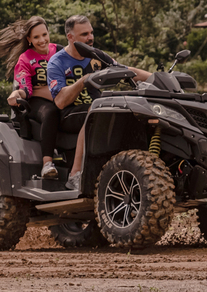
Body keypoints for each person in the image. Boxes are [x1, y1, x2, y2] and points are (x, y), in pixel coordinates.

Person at [47, 14, 150, 191]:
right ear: (70, 37)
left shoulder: (97, 56)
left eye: (91, 33)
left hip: (98, 107)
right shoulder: (57, 62)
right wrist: (83, 81)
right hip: (71, 113)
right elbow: (61, 101)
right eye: (84, 34)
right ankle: (75, 174)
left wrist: (160, 78)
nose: (91, 38)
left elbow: (127, 71)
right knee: (95, 111)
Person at [0, 15, 61, 179]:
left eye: (44, 34)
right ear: (29, 39)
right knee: (50, 112)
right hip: (37, 103)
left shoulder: (59, 51)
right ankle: (47, 164)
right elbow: (26, 89)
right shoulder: (25, 59)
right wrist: (17, 94)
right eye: (36, 37)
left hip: (61, 97)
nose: (42, 40)